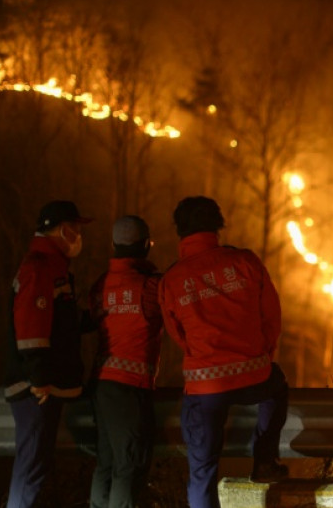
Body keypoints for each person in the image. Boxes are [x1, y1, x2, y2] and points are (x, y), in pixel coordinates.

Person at [159, 196, 289, 508]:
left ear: (180, 230)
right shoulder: (244, 261)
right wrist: (261, 357)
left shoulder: (172, 279)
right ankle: (264, 461)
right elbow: (271, 316)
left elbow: (176, 333)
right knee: (277, 386)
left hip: (205, 387)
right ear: (218, 226)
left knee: (202, 471)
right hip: (254, 374)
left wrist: (204, 359)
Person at [4, 200, 92, 508]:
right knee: (31, 468)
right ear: (63, 229)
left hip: (42, 385)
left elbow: (58, 322)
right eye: (76, 228)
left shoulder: (51, 266)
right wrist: (38, 376)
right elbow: (31, 325)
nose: (79, 234)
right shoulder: (40, 266)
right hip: (36, 388)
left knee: (35, 467)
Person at [88, 215, 163, 508]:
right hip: (130, 390)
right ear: (146, 245)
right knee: (128, 467)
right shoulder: (150, 288)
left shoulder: (100, 285)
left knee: (106, 464)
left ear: (114, 245)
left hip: (101, 387)